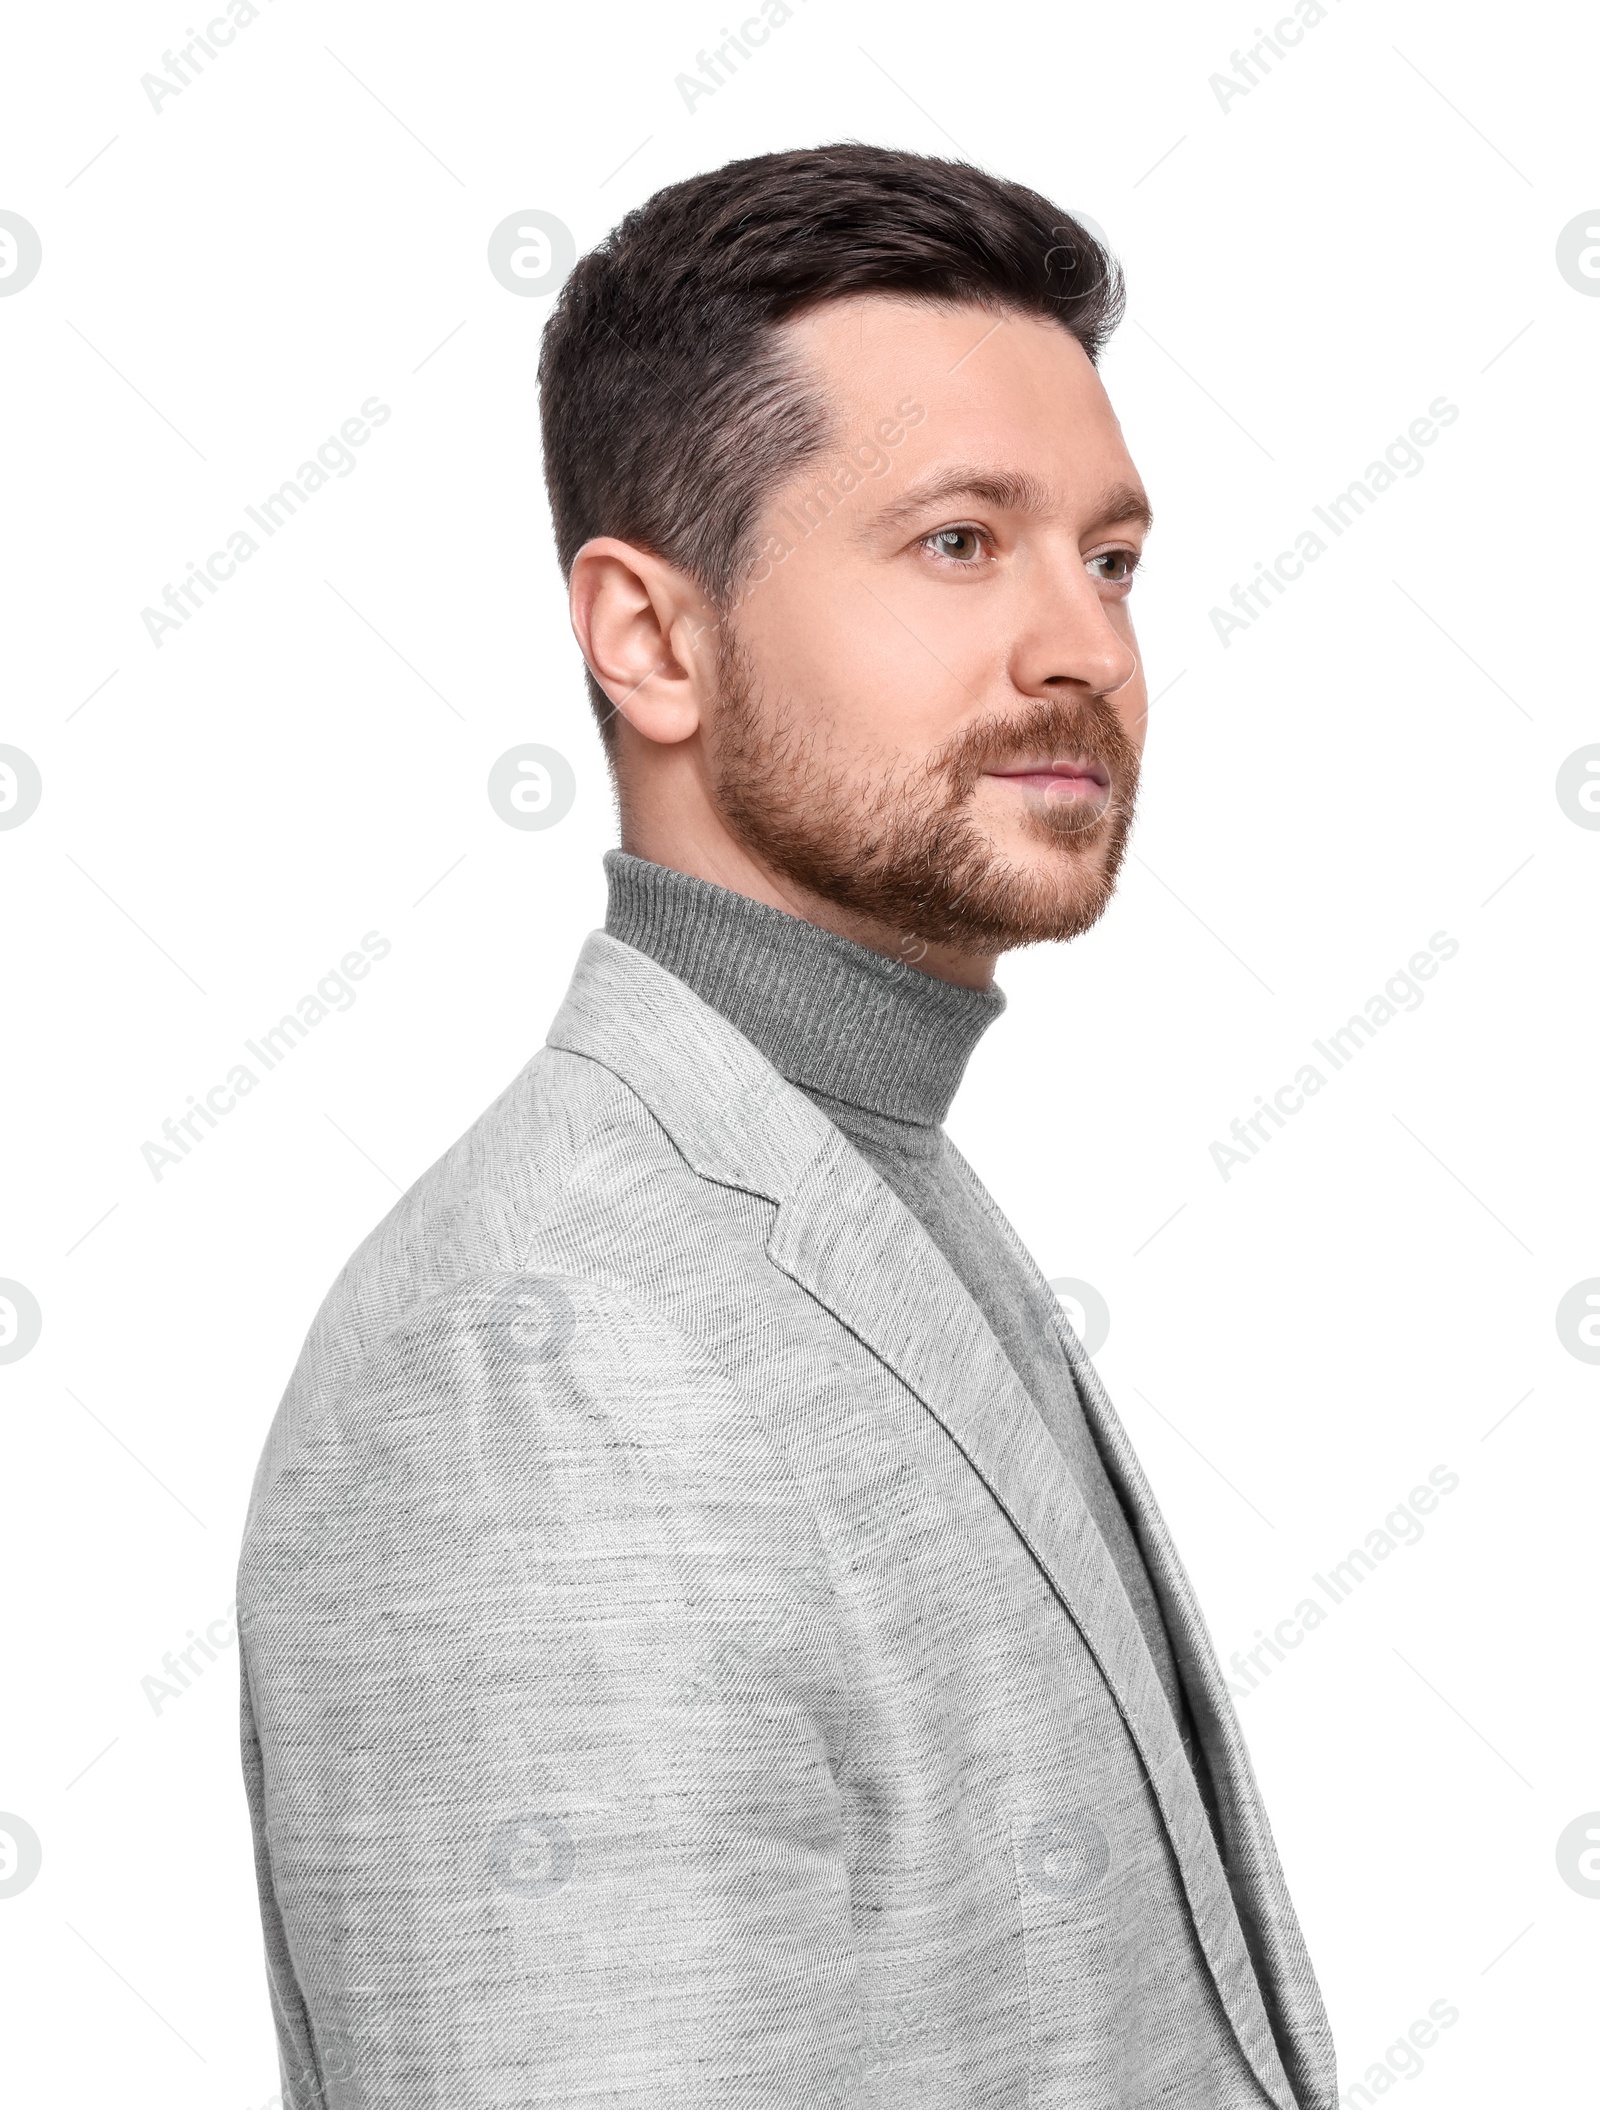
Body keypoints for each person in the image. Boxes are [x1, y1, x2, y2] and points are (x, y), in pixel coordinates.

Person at [238, 143, 1335, 2109]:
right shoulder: (535, 1343)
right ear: (651, 640)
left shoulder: (856, 1171)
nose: (1079, 643)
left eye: (1106, 558)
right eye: (953, 541)